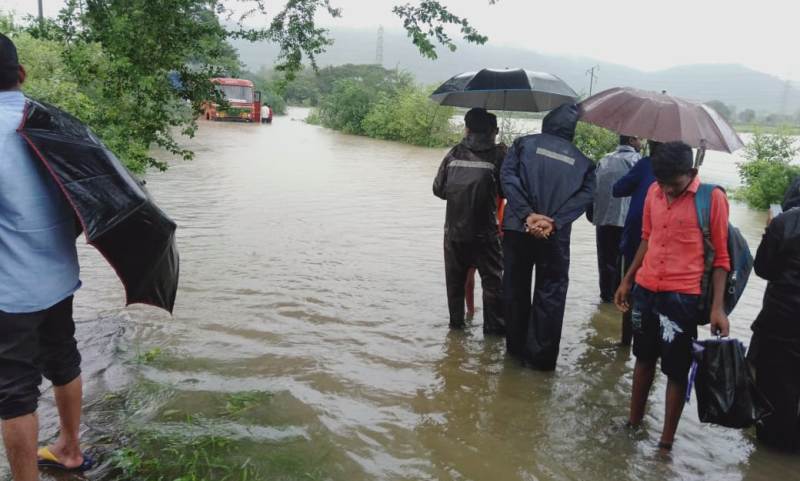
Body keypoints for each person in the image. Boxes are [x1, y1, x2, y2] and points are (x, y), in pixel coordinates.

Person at [0, 33, 92, 480]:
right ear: (21, 75)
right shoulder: (59, 126)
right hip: (59, 276)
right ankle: (71, 449)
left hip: (9, 292)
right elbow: (85, 204)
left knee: (14, 393)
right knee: (64, 358)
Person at [614, 141, 731, 451]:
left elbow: (721, 260)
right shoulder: (655, 191)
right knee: (642, 358)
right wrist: (627, 280)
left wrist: (719, 309)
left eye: (674, 185)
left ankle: (665, 443)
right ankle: (633, 423)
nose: (667, 190)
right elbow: (646, 239)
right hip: (646, 290)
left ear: (692, 173)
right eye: (662, 183)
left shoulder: (712, 199)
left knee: (677, 371)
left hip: (682, 299)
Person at [500, 103, 596, 370]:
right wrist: (553, 223)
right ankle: (539, 362)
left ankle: (515, 351)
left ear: (546, 124)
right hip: (554, 236)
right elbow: (585, 198)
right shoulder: (585, 163)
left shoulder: (521, 145)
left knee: (514, 287)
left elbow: (508, 178)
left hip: (518, 229)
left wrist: (526, 215)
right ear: (572, 131)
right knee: (551, 292)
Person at [433, 108, 506, 335]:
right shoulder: (499, 156)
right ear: (494, 131)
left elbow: (439, 189)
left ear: (467, 129)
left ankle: (456, 332)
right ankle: (492, 338)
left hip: (454, 234)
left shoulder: (454, 154)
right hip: (486, 234)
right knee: (493, 284)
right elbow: (506, 190)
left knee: (455, 285)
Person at [747, 176, 800, 452]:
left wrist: (769, 233)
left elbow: (764, 269)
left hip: (781, 322)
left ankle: (770, 457)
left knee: (774, 394)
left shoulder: (786, 221)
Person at [612, 140, 660, 345]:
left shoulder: (646, 164)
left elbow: (618, 189)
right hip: (662, 243)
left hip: (635, 236)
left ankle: (625, 343)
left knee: (628, 287)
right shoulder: (682, 172)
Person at [591, 135, 641, 303]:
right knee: (626, 262)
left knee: (605, 260)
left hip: (602, 218)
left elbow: (593, 188)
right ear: (632, 140)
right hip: (626, 220)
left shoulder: (604, 160)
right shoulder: (637, 161)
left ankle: (605, 297)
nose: (641, 143)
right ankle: (621, 298)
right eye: (639, 139)